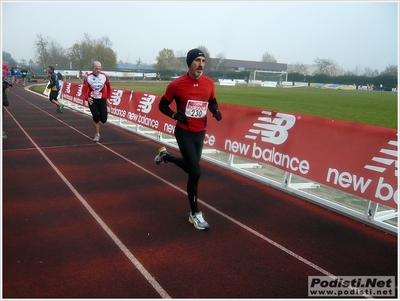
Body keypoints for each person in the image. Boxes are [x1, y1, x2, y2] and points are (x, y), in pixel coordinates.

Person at [154, 48, 222, 230]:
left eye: (203, 61)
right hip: (184, 131)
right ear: (190, 63)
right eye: (197, 60)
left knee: (192, 168)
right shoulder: (177, 85)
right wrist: (175, 115)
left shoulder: (209, 83)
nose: (201, 64)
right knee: (196, 172)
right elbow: (162, 105)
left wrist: (215, 110)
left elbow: (212, 100)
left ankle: (166, 157)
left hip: (200, 132)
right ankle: (194, 212)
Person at [82, 61, 111, 142]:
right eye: (96, 68)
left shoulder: (104, 76)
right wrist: (87, 98)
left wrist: (108, 98)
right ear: (92, 68)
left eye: (99, 68)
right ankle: (97, 134)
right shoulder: (87, 77)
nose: (98, 70)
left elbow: (109, 88)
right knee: (96, 118)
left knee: (104, 120)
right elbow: (84, 90)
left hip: (102, 99)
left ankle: (100, 114)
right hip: (92, 100)